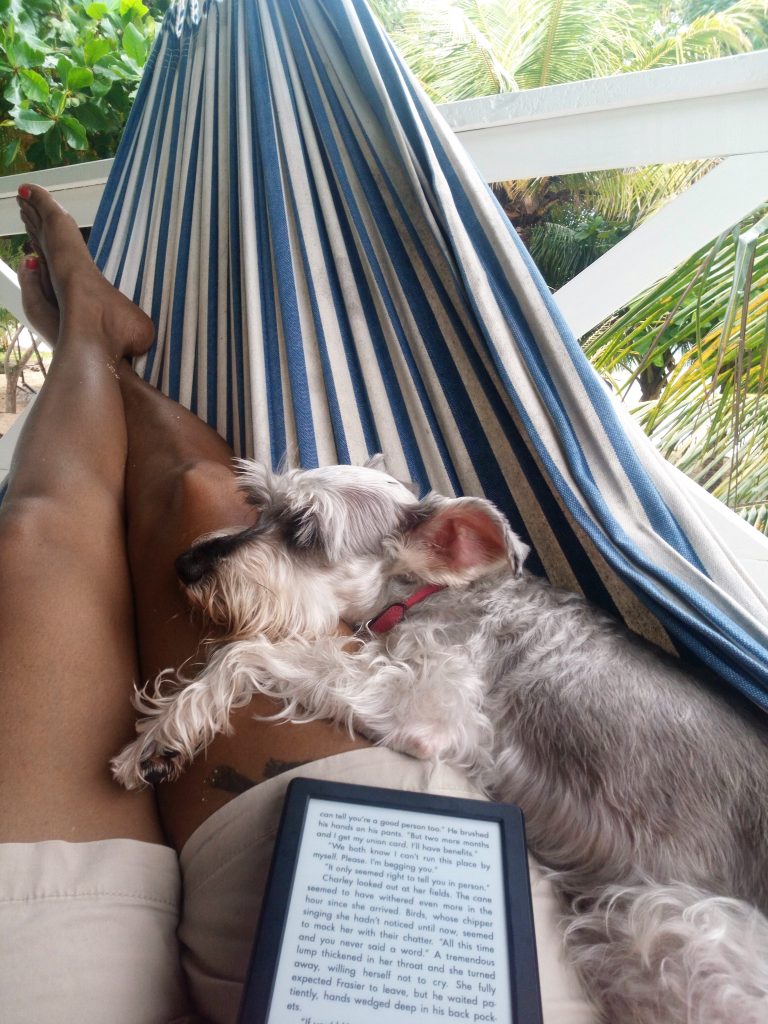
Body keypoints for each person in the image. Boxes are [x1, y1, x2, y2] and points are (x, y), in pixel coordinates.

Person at [0, 185, 594, 1023]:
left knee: (33, 540)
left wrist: (246, 662)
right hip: (441, 904)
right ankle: (98, 348)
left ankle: (89, 348)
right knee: (203, 493)